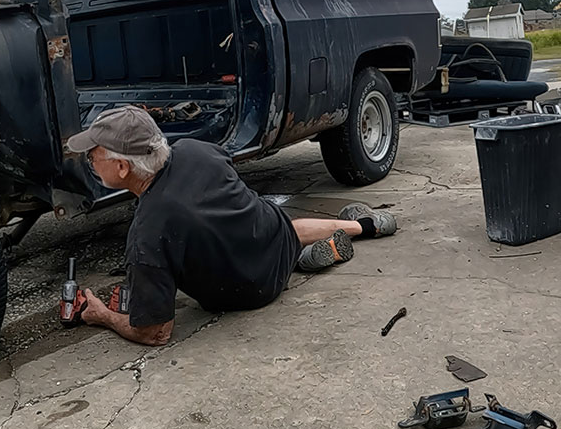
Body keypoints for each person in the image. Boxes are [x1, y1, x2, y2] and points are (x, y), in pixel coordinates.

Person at [66, 105, 396, 346]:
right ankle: (363, 226)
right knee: (283, 224)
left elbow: (156, 332)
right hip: (272, 236)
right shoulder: (195, 150)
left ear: (123, 167)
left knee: (230, 240)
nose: (91, 161)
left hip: (250, 292)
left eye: (94, 156)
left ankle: (304, 259)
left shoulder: (147, 234)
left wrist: (101, 315)